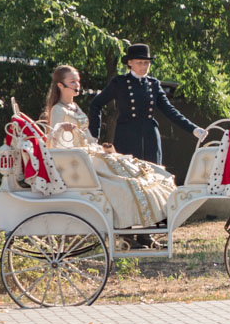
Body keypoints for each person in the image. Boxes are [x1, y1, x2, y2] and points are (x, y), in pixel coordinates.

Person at [43, 65, 178, 245]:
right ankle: (126, 232)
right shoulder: (59, 109)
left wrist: (100, 147)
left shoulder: (74, 107)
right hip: (80, 161)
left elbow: (87, 136)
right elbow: (54, 144)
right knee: (124, 184)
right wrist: (62, 130)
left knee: (137, 172)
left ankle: (144, 231)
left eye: (78, 81)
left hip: (90, 154)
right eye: (72, 81)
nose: (77, 85)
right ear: (60, 85)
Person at [88, 43, 205, 164]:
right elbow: (95, 104)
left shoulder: (153, 84)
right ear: (130, 63)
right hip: (126, 138)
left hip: (150, 139)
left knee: (154, 176)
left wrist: (193, 129)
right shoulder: (120, 82)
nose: (144, 66)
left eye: (146, 63)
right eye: (139, 62)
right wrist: (93, 137)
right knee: (129, 176)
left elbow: (170, 111)